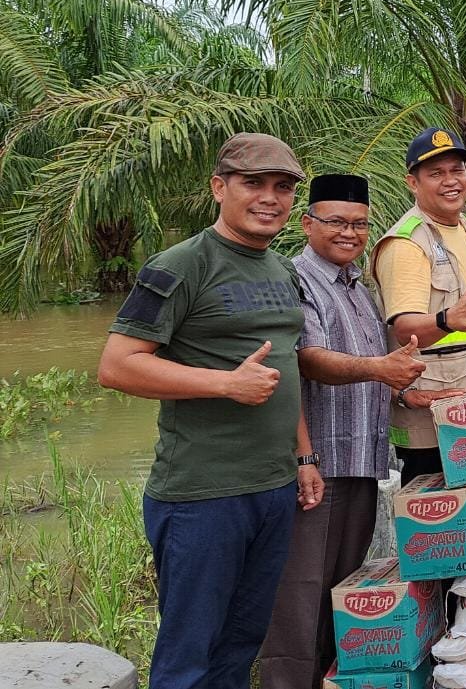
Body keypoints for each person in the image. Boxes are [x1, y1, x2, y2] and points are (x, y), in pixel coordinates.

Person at [97, 133, 316, 689]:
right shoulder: (180, 265)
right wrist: (223, 384)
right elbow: (118, 365)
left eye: (284, 187)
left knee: (240, 645)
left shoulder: (283, 271)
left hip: (272, 488)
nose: (271, 197)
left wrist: (303, 455)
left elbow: (281, 367)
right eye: (254, 183)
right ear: (219, 188)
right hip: (202, 494)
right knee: (187, 655)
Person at [258, 174, 443, 689]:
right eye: (336, 221)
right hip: (318, 464)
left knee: (341, 586)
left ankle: (329, 679)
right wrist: (304, 459)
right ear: (307, 222)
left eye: (359, 224)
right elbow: (308, 361)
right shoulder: (295, 279)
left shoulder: (359, 284)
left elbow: (370, 363)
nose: (349, 233)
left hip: (363, 459)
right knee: (299, 592)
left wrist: (405, 392)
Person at [371, 128, 466, 483]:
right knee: (443, 526)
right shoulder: (408, 243)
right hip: (433, 421)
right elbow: (404, 329)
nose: (451, 181)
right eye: (436, 173)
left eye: (457, 170)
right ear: (412, 183)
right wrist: (448, 319)